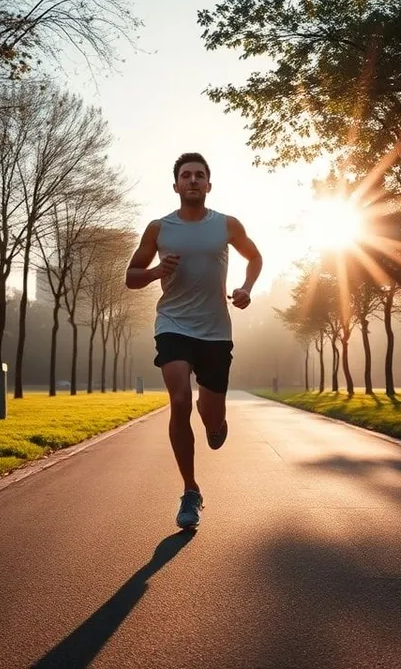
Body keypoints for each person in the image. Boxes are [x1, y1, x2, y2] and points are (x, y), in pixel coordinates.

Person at [125, 152, 263, 529]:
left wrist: (246, 288)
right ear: (175, 185)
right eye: (186, 175)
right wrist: (156, 271)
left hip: (216, 330)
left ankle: (216, 422)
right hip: (173, 325)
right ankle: (190, 490)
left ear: (208, 185)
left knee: (210, 414)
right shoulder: (159, 228)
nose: (192, 180)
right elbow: (131, 276)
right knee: (180, 400)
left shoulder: (226, 225)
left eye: (199, 175)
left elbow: (255, 257)